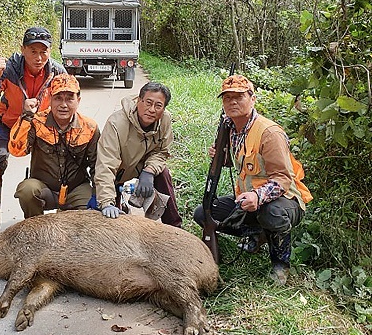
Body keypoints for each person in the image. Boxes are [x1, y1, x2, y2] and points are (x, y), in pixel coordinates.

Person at [193, 74, 313, 285]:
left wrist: (258, 196)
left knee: (272, 213)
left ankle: (280, 264)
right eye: (227, 97)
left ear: (252, 98)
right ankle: (258, 233)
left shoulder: (269, 133)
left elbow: (283, 178)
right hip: (248, 200)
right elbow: (244, 163)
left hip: (284, 200)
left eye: (239, 96)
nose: (232, 102)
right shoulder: (231, 128)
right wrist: (220, 157)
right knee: (203, 213)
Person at [0, 27, 66, 233]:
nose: (38, 57)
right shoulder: (9, 70)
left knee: (56, 166)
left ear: (50, 51)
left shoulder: (58, 72)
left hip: (41, 128)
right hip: (7, 125)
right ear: (23, 50)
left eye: (43, 52)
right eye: (33, 51)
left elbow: (70, 101)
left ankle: (45, 219)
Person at [8, 73, 99, 218]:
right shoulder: (36, 122)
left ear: (78, 100)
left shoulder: (89, 127)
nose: (63, 105)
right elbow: (16, 150)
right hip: (44, 188)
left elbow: (97, 166)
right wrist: (26, 116)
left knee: (91, 215)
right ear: (49, 99)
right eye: (58, 98)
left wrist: (97, 195)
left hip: (76, 188)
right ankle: (35, 228)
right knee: (26, 190)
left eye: (70, 99)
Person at [94, 81, 183, 228]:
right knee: (110, 219)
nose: (152, 109)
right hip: (118, 170)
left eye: (158, 106)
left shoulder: (165, 120)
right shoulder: (116, 123)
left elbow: (162, 151)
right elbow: (106, 164)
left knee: (163, 174)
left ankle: (175, 227)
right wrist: (106, 203)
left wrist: (149, 171)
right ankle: (117, 204)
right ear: (138, 101)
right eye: (148, 103)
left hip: (143, 166)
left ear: (164, 108)